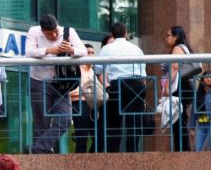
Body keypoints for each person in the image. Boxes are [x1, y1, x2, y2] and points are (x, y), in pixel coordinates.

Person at [25, 13, 86, 154]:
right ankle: (44, 156)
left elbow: (82, 51)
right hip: (38, 81)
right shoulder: (34, 31)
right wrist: (48, 50)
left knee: (65, 119)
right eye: (49, 34)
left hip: (61, 84)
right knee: (42, 123)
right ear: (42, 31)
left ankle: (37, 148)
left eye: (55, 32)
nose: (54, 36)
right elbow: (28, 52)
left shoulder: (68, 32)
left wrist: (71, 50)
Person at [96, 22, 148, 153]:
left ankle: (114, 154)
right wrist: (143, 96)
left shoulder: (107, 49)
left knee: (114, 122)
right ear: (126, 33)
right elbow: (143, 74)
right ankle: (133, 153)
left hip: (117, 85)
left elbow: (98, 70)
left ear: (112, 34)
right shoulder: (136, 49)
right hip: (136, 85)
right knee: (134, 122)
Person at [162, 26, 194, 152]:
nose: (166, 38)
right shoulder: (182, 48)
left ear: (176, 37)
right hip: (184, 86)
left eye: (168, 35)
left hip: (181, 86)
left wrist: (167, 86)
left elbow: (174, 67)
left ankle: (182, 150)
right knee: (179, 119)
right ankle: (182, 149)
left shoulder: (177, 48)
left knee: (179, 120)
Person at [69, 44, 102, 153]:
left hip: (92, 105)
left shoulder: (92, 71)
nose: (91, 55)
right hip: (79, 103)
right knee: (82, 137)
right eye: (88, 52)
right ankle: (79, 164)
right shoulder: (76, 68)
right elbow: (72, 89)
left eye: (93, 53)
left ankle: (90, 162)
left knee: (98, 138)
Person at [191, 71, 211, 152]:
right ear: (202, 80)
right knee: (198, 149)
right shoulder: (198, 94)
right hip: (201, 124)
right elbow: (193, 112)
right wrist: (192, 128)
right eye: (206, 77)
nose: (208, 79)